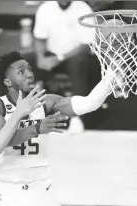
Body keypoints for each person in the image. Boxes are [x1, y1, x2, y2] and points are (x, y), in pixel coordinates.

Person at [0, 51, 116, 206]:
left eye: (29, 69)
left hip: (42, 189)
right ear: (7, 81)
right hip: (9, 193)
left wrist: (110, 76)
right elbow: (0, 140)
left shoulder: (47, 103)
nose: (29, 74)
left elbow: (89, 103)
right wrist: (36, 128)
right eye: (21, 71)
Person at [33, 1, 95, 133]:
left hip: (74, 57)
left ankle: (77, 118)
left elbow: (86, 46)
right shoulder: (45, 8)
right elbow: (39, 38)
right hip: (51, 55)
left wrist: (60, 58)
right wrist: (40, 57)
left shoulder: (84, 9)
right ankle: (30, 115)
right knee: (25, 61)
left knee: (79, 64)